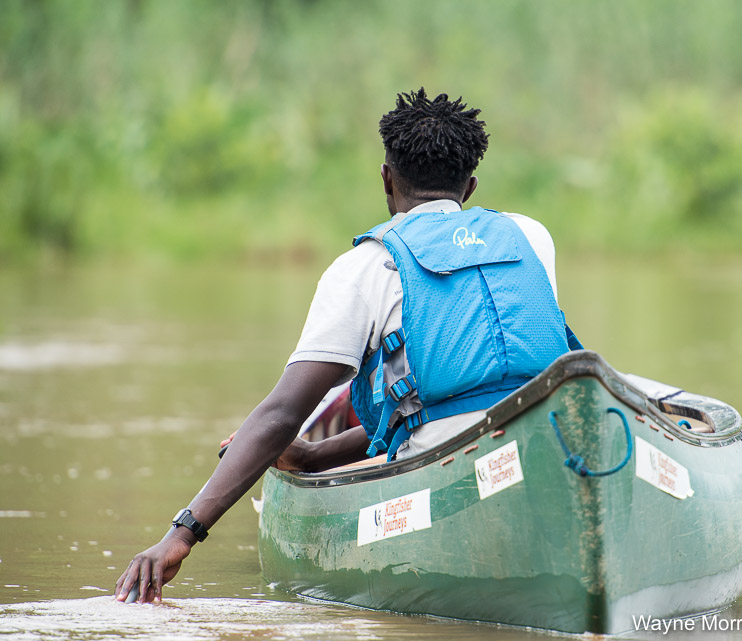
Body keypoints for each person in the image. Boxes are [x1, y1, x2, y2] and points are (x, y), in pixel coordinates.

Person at [114, 88, 573, 604]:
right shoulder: (530, 237)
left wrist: (181, 533)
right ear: (470, 185)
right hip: (549, 445)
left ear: (386, 179)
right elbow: (473, 399)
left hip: (448, 470)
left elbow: (282, 414)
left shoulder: (364, 268)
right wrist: (313, 457)